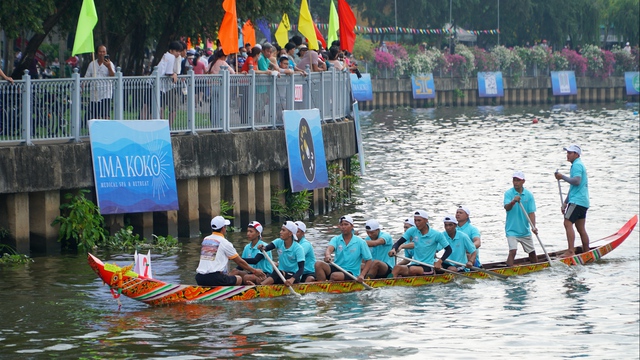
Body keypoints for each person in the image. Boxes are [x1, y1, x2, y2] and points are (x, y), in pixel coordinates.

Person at [195, 216, 266, 286]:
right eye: (225, 227)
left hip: (199, 278)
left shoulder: (206, 239)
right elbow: (239, 261)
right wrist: (255, 271)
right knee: (238, 279)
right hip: (215, 278)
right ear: (223, 228)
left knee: (228, 276)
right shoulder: (225, 243)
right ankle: (230, 294)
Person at [388, 210, 452, 277]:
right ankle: (389, 284)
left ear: (426, 221)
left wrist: (439, 262)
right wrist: (393, 249)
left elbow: (449, 250)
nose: (416, 223)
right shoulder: (412, 230)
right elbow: (398, 243)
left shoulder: (437, 234)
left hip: (428, 266)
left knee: (413, 269)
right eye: (415, 220)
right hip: (414, 264)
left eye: (419, 220)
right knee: (396, 268)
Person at [555, 144, 590, 257]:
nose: (567, 155)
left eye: (570, 153)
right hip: (583, 202)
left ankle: (570, 251)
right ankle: (586, 250)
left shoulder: (577, 165)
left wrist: (562, 177)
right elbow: (573, 188)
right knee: (580, 228)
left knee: (567, 222)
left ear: (576, 154)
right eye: (567, 153)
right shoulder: (578, 165)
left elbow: (576, 181)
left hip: (577, 201)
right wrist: (565, 203)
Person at [315, 215, 373, 283]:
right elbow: (329, 249)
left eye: (346, 224)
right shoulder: (336, 239)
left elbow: (369, 260)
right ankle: (321, 287)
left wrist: (362, 275)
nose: (343, 227)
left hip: (351, 272)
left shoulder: (360, 242)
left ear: (352, 226)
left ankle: (328, 287)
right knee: (318, 264)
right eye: (341, 225)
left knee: (334, 276)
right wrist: (328, 255)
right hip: (337, 267)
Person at [252, 221, 305, 287]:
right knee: (266, 276)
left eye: (283, 230)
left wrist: (292, 279)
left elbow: (301, 269)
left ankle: (259, 287)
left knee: (278, 272)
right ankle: (258, 284)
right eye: (281, 230)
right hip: (281, 275)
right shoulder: (279, 241)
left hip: (293, 277)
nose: (280, 232)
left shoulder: (298, 248)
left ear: (290, 233)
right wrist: (262, 247)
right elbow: (267, 248)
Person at [504, 171, 538, 266]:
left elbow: (531, 213)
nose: (515, 182)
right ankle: (508, 270)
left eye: (518, 180)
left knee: (532, 253)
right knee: (513, 251)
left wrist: (533, 227)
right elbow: (507, 207)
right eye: (514, 180)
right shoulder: (508, 193)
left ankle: (537, 267)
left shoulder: (529, 195)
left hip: (524, 231)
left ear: (523, 181)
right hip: (511, 230)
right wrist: (513, 201)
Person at [84, 45, 115, 120]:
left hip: (105, 93)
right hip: (94, 94)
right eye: (100, 52)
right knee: (95, 116)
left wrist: (109, 67)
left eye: (103, 52)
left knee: (105, 115)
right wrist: (82, 86)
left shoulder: (110, 64)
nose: (102, 54)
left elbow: (113, 76)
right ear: (97, 53)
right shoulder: (92, 64)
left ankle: (106, 130)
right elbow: (86, 77)